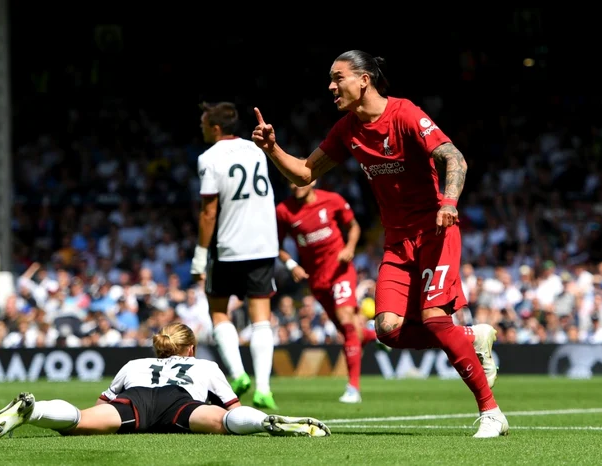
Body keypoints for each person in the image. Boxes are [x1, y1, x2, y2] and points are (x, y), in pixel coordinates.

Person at [251, 50, 508, 438]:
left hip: (436, 233)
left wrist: (449, 202)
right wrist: (271, 149)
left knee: (436, 319)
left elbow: (454, 157)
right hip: (396, 243)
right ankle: (471, 337)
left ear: (364, 79)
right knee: (387, 329)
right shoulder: (346, 130)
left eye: (338, 78)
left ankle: (491, 413)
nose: (331, 86)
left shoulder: (404, 114)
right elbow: (304, 173)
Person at [0, 323, 330, 439]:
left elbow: (104, 404)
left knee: (80, 420)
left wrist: (104, 415)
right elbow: (231, 407)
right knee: (225, 422)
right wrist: (230, 413)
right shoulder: (204, 365)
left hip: (136, 397)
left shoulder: (136, 363)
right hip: (181, 403)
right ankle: (267, 423)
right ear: (190, 348)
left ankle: (34, 410)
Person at [190, 102, 280, 410]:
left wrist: (200, 256)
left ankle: (239, 374)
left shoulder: (209, 158)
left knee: (219, 312)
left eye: (203, 124)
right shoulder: (256, 150)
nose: (201, 128)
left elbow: (208, 211)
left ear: (215, 128)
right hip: (264, 244)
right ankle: (264, 389)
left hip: (228, 246)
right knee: (261, 319)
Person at [277, 180, 379, 403]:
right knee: (348, 331)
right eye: (291, 182)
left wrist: (350, 248)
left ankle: (353, 388)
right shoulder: (284, 211)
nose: (295, 186)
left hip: (341, 271)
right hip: (317, 280)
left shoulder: (332, 200)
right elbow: (276, 245)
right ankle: (375, 336)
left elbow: (353, 226)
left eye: (300, 181)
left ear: (312, 180)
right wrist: (291, 265)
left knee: (346, 320)